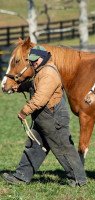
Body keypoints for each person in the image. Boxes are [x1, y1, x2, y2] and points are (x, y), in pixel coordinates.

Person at [2, 45, 87, 186]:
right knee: (34, 146)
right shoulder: (40, 70)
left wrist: (24, 111)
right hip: (44, 117)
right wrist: (21, 87)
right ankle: (21, 176)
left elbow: (40, 98)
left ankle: (79, 180)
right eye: (31, 60)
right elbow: (34, 85)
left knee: (63, 148)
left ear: (44, 57)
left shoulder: (49, 73)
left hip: (53, 117)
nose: (33, 63)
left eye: (36, 60)